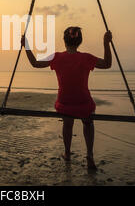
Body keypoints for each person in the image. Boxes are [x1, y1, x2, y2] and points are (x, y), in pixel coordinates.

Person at [21, 27, 112, 170]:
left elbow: (35, 63)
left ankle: (68, 153)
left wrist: (26, 46)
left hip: (65, 103)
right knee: (88, 123)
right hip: (84, 103)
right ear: (80, 41)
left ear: (64, 41)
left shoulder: (56, 57)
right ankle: (89, 155)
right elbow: (107, 64)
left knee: (67, 123)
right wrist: (106, 42)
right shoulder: (86, 58)